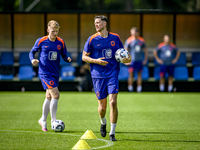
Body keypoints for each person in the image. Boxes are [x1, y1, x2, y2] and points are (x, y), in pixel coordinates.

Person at [82, 15, 131, 141]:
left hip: (112, 73)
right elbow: (84, 57)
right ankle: (103, 122)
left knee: (113, 102)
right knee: (102, 107)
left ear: (105, 24)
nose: (96, 25)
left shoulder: (115, 37)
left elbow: (123, 54)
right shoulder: (92, 39)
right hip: (98, 76)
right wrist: (95, 61)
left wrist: (127, 60)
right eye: (95, 23)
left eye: (98, 22)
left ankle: (112, 133)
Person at [29, 20, 72, 131]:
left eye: (56, 31)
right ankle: (53, 121)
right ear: (48, 30)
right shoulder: (41, 41)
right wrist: (32, 59)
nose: (55, 33)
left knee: (49, 96)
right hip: (45, 72)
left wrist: (67, 59)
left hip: (55, 72)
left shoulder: (61, 42)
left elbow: (64, 54)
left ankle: (42, 120)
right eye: (53, 31)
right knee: (56, 95)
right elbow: (32, 52)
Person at [124, 27, 148, 92]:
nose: (134, 34)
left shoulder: (142, 40)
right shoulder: (129, 40)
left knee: (139, 74)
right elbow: (125, 50)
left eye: (135, 32)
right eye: (132, 33)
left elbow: (145, 51)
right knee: (131, 74)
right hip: (132, 61)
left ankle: (139, 88)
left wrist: (145, 59)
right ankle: (130, 88)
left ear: (138, 33)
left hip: (139, 60)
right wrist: (126, 60)